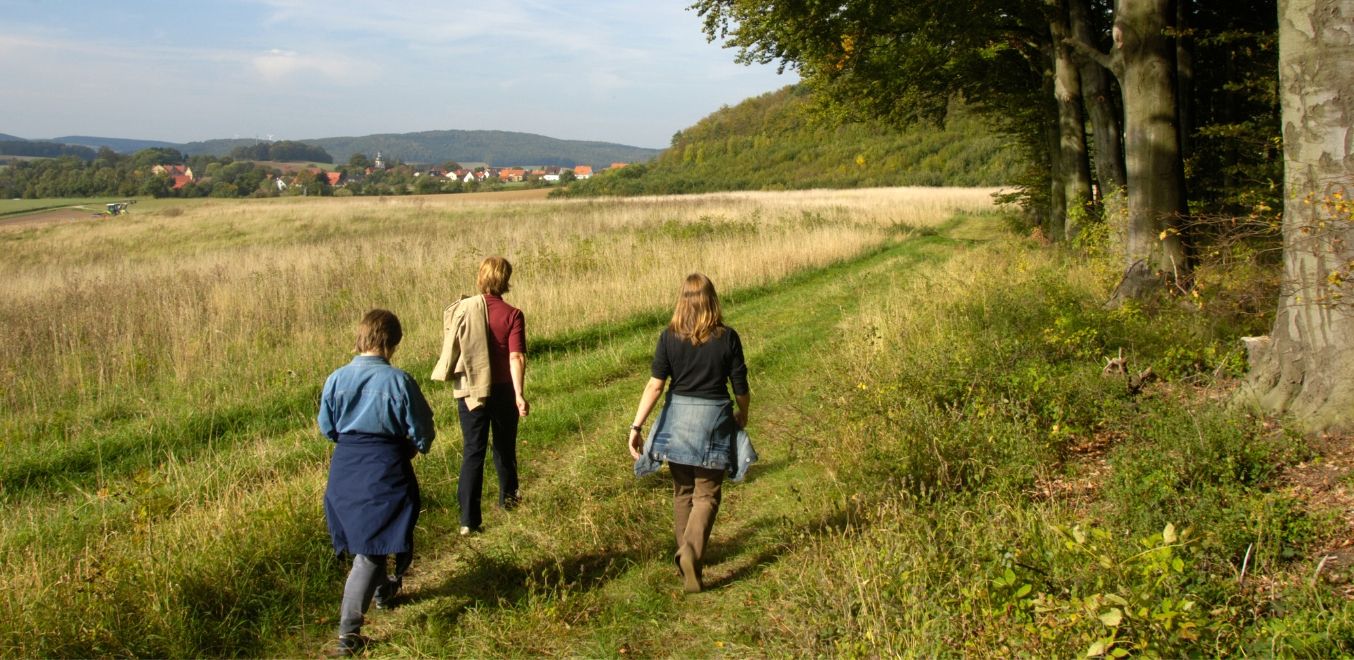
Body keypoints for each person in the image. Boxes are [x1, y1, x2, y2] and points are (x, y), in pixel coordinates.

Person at [318, 309, 435, 656]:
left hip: (345, 468)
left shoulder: (335, 378)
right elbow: (422, 430)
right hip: (385, 467)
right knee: (370, 550)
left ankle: (384, 593)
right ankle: (348, 635)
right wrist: (411, 448)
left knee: (370, 538)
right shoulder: (400, 381)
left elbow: (328, 427)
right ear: (392, 342)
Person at [628, 273, 752, 594]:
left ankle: (686, 560)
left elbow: (656, 385)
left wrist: (637, 426)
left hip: (677, 422)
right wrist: (743, 413)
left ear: (682, 300)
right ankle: (691, 554)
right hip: (714, 421)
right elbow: (741, 387)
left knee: (683, 492)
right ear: (712, 300)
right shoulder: (728, 338)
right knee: (707, 494)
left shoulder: (669, 337)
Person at [435, 256, 529, 536]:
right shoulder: (513, 314)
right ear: (506, 280)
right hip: (502, 390)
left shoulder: (463, 310)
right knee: (504, 448)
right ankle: (509, 503)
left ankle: (468, 520)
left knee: (472, 451)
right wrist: (519, 394)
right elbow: (516, 357)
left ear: (481, 277)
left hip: (470, 390)